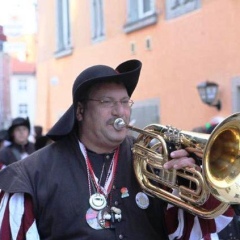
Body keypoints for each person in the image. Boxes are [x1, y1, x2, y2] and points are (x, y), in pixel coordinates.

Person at [0, 59, 234, 239]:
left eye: (124, 102)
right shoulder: (30, 175)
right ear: (80, 111)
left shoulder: (156, 162)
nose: (119, 111)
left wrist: (195, 185)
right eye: (107, 102)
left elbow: (194, 231)